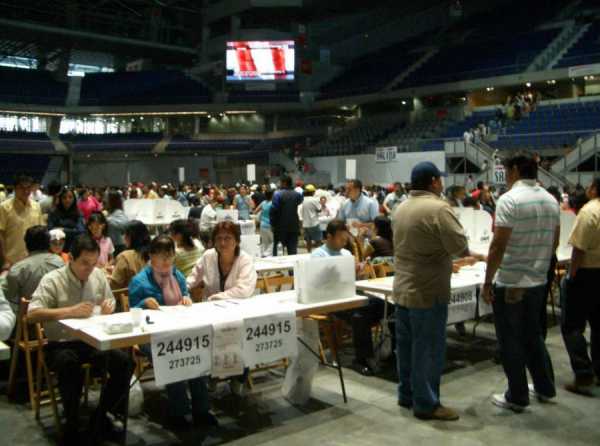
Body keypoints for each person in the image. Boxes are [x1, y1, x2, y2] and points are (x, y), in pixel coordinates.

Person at [28, 234, 134, 445]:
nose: (89, 268)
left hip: (92, 340)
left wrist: (108, 308)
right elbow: (32, 314)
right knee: (69, 365)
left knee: (124, 362)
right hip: (61, 343)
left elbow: (110, 302)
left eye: (93, 263)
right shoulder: (53, 280)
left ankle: (103, 414)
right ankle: (72, 422)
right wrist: (69, 311)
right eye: (84, 263)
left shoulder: (97, 276)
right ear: (71, 259)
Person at [392, 161, 470, 421]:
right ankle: (426, 404)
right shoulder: (438, 208)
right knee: (428, 349)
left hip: (402, 287)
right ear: (434, 181)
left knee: (406, 348)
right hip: (428, 290)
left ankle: (407, 395)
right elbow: (459, 246)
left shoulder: (400, 207)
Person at [481, 153, 559, 412]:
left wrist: (488, 281)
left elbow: (498, 245)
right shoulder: (550, 199)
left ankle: (517, 395)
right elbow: (555, 242)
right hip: (537, 280)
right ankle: (545, 387)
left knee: (510, 340)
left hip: (512, 281)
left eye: (506, 169)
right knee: (533, 335)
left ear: (514, 170)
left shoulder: (509, 199)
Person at [128, 235, 217, 429]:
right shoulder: (139, 281)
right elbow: (132, 311)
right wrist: (144, 304)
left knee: (196, 355)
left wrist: (186, 299)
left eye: (169, 256)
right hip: (150, 336)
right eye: (161, 256)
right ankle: (179, 412)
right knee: (172, 358)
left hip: (179, 330)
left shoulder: (177, 275)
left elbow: (184, 294)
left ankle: (201, 410)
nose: (167, 260)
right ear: (151, 256)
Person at [561, 177, 600, 395]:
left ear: (594, 189)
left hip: (586, 274)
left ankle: (584, 374)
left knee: (572, 326)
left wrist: (571, 275)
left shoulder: (588, 212)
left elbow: (579, 248)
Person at [187, 221, 257, 301]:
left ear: (237, 241)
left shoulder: (245, 260)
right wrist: (182, 292)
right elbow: (192, 279)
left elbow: (244, 290)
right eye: (219, 238)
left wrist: (215, 297)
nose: (222, 243)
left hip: (238, 309)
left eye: (227, 238)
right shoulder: (208, 256)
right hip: (210, 308)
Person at [5, 225, 64, 312]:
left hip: (27, 319)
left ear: (26, 244)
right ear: (48, 243)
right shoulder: (60, 262)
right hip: (56, 316)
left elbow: (10, 300)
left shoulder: (17, 269)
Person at [0, 174, 44, 269]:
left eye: (28, 187)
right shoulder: (4, 207)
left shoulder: (36, 206)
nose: (26, 191)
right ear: (15, 188)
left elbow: (40, 232)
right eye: (21, 188)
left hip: (33, 258)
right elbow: (1, 235)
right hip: (12, 260)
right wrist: (5, 260)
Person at [110, 220, 150, 290]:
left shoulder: (125, 256)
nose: (123, 237)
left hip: (131, 298)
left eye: (125, 234)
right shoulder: (154, 252)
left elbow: (114, 285)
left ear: (131, 236)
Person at [270, 176, 303, 256]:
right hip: (294, 226)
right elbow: (299, 204)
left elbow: (274, 210)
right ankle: (292, 268)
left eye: (280, 182)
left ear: (284, 183)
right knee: (292, 251)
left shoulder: (277, 194)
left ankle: (278, 268)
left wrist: (272, 224)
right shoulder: (298, 195)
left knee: (278, 251)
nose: (279, 184)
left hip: (280, 227)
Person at [48, 187, 85, 253]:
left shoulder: (78, 213)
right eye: (64, 197)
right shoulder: (53, 212)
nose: (67, 200)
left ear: (74, 199)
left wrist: (62, 230)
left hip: (74, 246)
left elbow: (81, 231)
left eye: (70, 197)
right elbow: (50, 230)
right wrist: (72, 231)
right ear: (60, 199)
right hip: (57, 247)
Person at [105, 190, 129, 257]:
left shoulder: (119, 212)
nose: (105, 200)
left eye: (107, 198)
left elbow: (125, 225)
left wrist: (107, 220)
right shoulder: (110, 212)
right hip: (111, 245)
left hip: (118, 246)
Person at [301, 184, 323, 253]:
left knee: (308, 240)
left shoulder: (303, 200)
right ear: (312, 192)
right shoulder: (314, 200)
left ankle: (309, 253)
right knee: (318, 240)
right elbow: (319, 209)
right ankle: (319, 255)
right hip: (314, 223)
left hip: (305, 224)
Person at [254, 189, 274, 257]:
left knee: (265, 242)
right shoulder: (273, 203)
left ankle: (265, 255)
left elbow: (255, 211)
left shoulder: (263, 202)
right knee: (274, 241)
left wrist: (262, 213)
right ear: (272, 195)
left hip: (262, 225)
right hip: (270, 225)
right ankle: (267, 254)